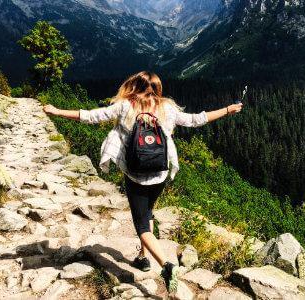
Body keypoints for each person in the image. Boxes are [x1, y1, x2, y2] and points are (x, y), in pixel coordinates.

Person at [43, 71, 243, 293]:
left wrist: (57, 111)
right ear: (157, 88)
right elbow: (197, 120)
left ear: (133, 86)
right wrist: (228, 109)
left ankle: (166, 266)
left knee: (141, 225)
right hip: (159, 173)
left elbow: (91, 116)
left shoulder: (125, 106)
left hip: (135, 175)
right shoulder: (167, 107)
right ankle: (142, 257)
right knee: (148, 212)